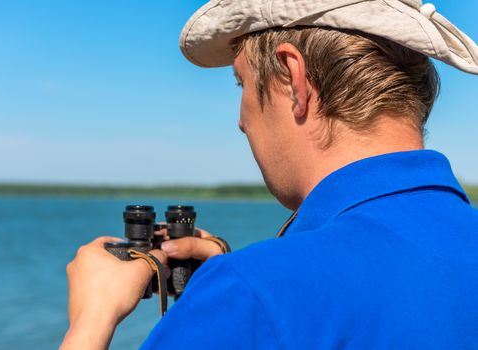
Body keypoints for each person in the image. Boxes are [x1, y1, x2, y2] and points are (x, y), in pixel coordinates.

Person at [60, 0, 478, 349]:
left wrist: (92, 319)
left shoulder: (251, 293)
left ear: (294, 80)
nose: (241, 121)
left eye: (240, 83)